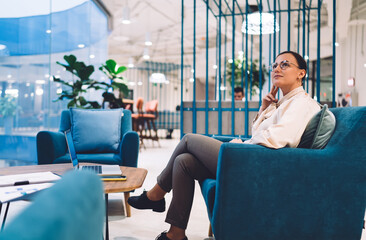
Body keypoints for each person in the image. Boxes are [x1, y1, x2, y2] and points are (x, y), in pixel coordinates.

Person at [128, 51, 321, 240]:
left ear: (301, 73)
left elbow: (279, 138)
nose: (277, 68)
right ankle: (175, 233)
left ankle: (155, 195)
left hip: (259, 165)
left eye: (285, 64)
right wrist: (264, 108)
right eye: (275, 65)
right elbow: (258, 131)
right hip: (252, 156)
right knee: (183, 161)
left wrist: (243, 145)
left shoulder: (302, 103)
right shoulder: (282, 102)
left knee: (188, 139)